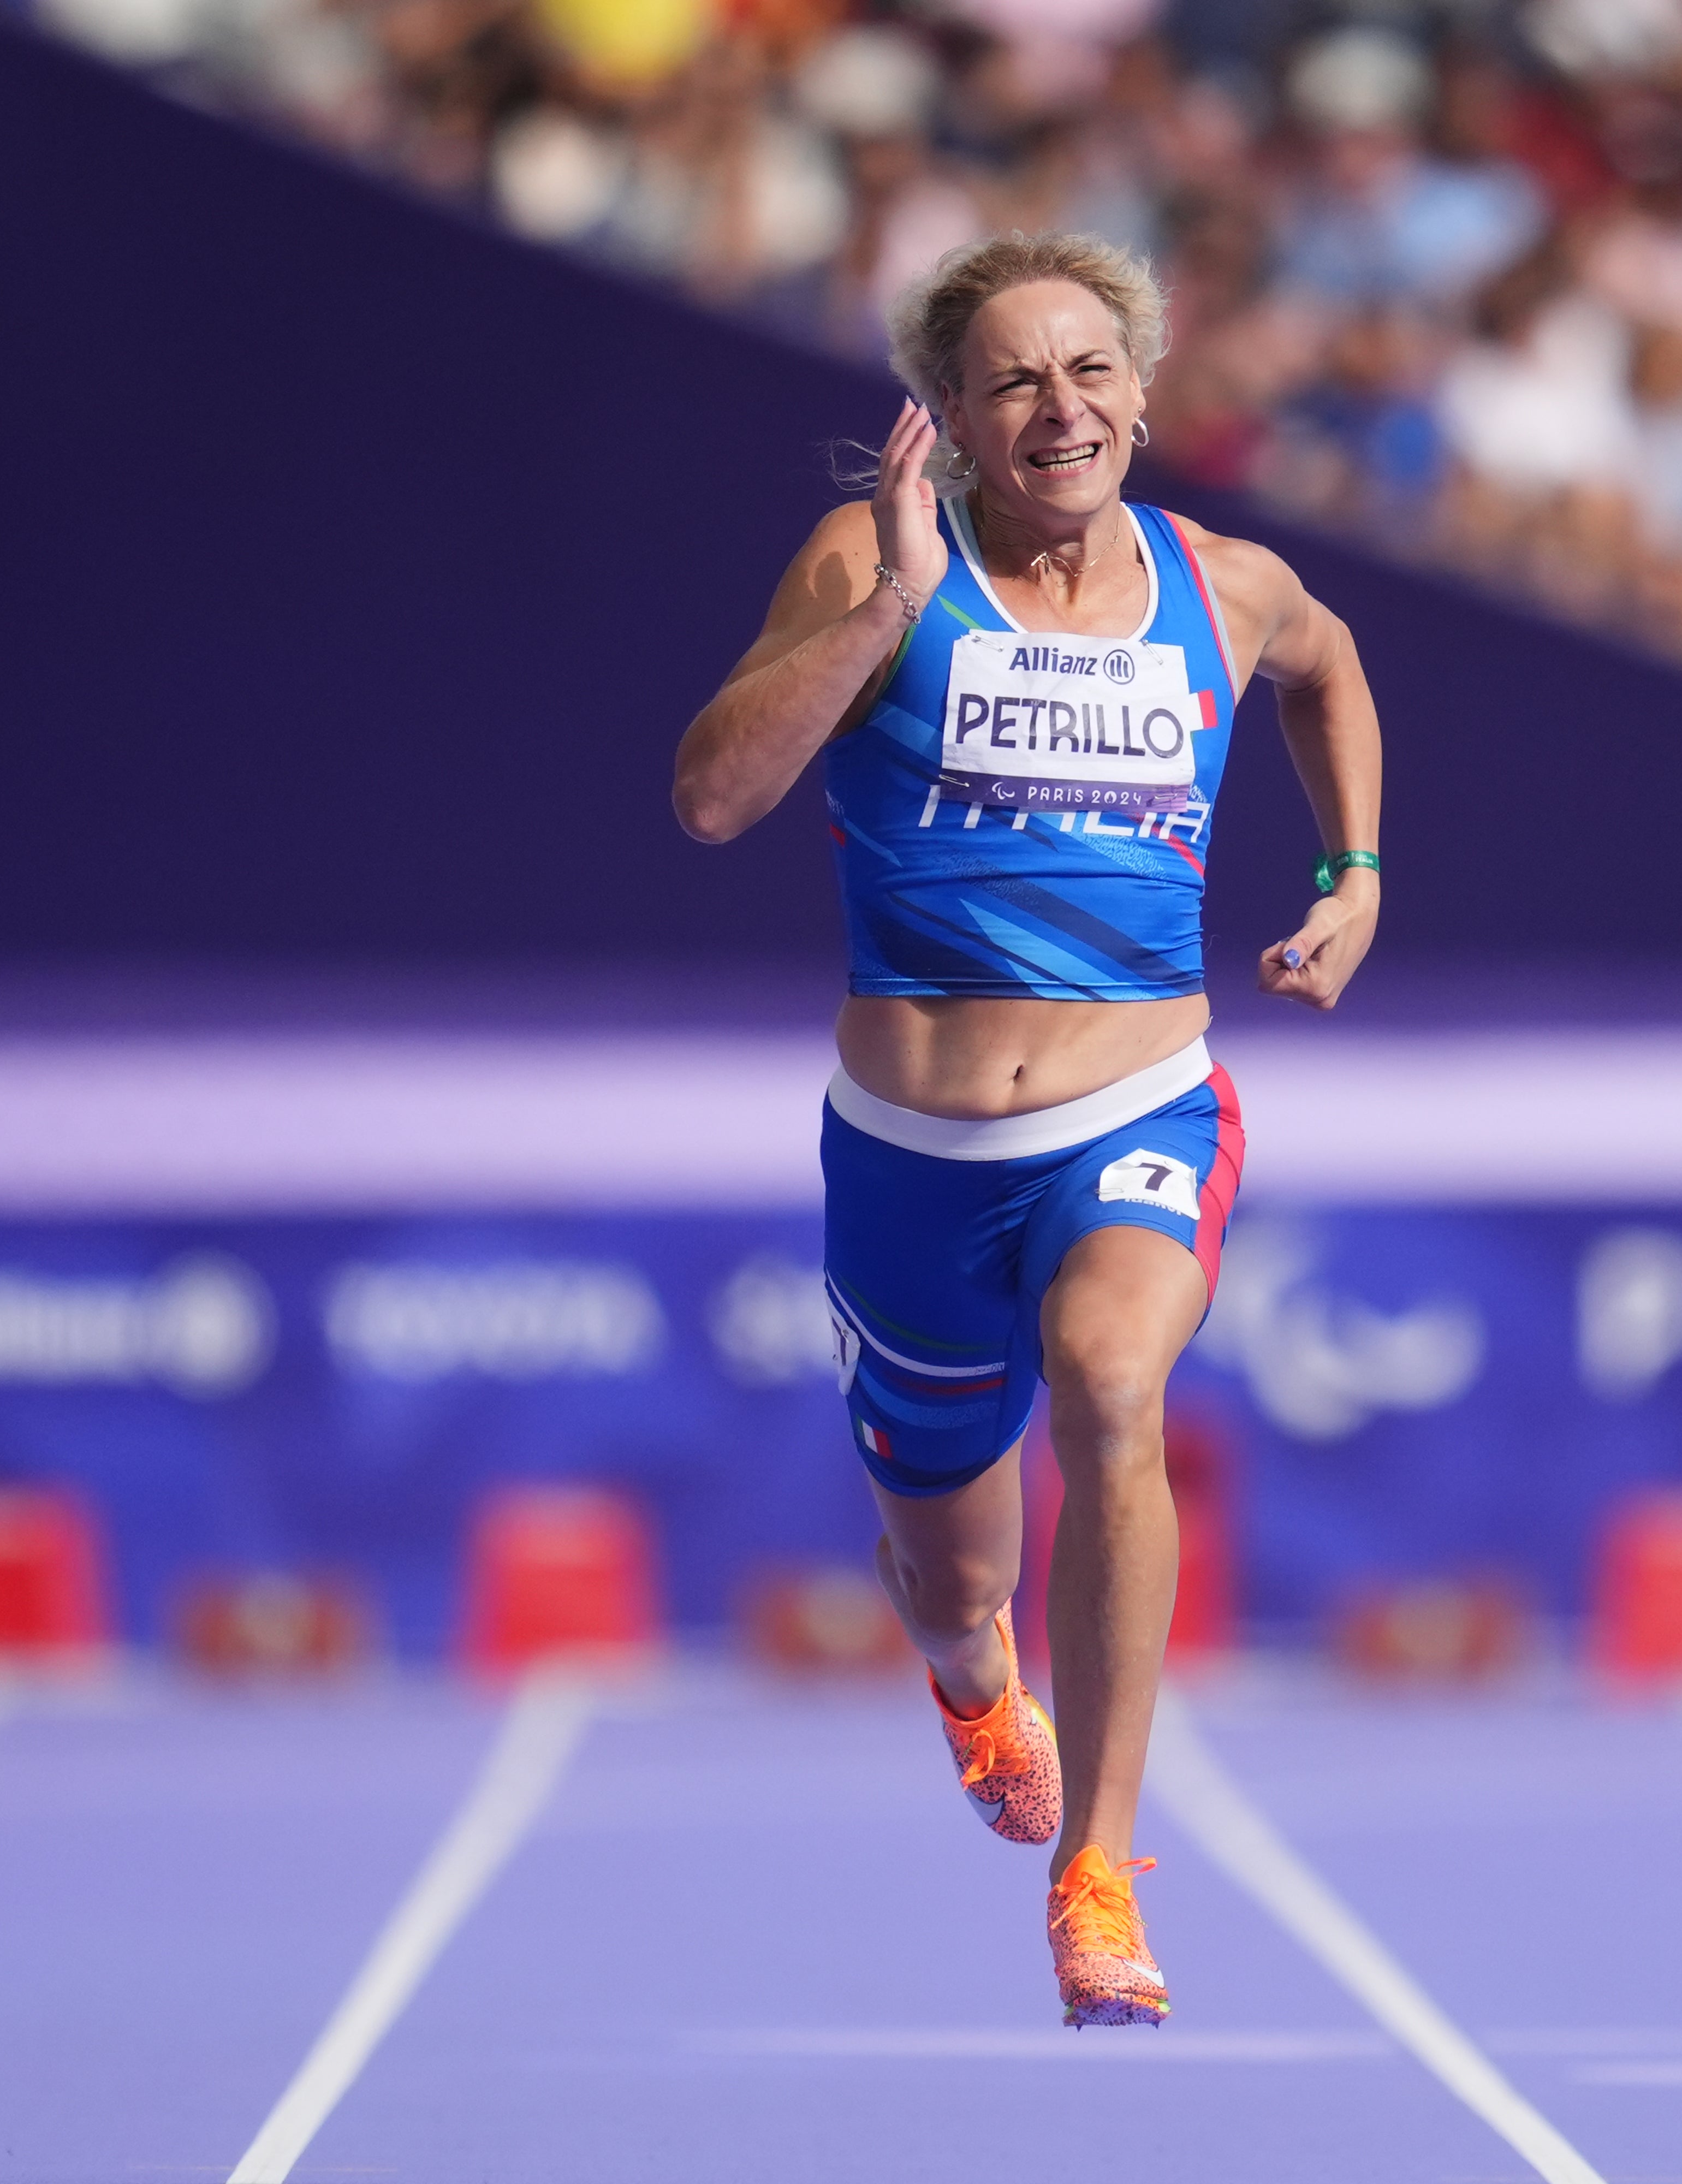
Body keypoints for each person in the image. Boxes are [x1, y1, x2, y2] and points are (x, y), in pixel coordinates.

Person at [671, 232, 1384, 2027]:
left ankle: (1101, 1873)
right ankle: (975, 1676)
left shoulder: (1221, 584)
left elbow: (1333, 665)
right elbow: (710, 798)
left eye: (1089, 372)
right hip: (913, 1157)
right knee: (947, 1569)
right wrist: (891, 609)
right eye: (1012, 380)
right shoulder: (869, 563)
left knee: (1118, 1385)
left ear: (1142, 395)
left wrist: (1355, 874)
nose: (1058, 408)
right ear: (955, 424)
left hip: (1138, 1104)